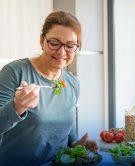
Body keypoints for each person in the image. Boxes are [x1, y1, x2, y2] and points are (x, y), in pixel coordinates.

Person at [0, 11, 98, 165]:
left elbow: (68, 126)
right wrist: (17, 106)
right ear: (42, 41)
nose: (61, 52)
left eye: (70, 45)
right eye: (54, 43)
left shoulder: (72, 83)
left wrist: (76, 144)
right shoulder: (15, 72)